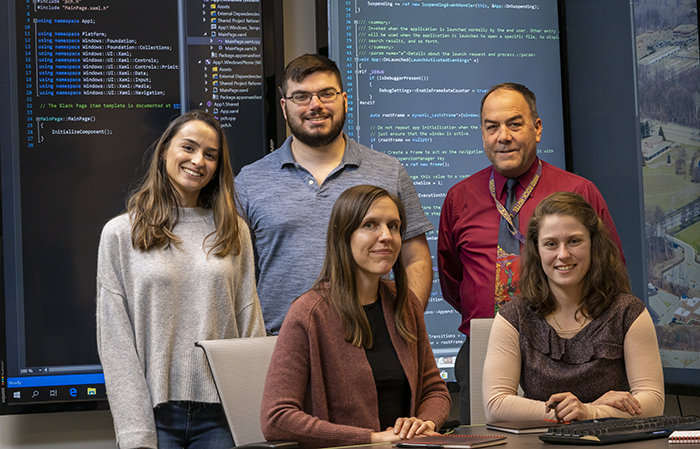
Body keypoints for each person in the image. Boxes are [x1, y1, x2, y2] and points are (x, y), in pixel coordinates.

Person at [437, 82, 624, 423]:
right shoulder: (458, 197)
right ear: (482, 134)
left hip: (569, 353)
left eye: (514, 123)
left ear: (537, 128)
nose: (502, 136)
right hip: (484, 343)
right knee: (484, 442)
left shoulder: (577, 191)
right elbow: (453, 279)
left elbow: (611, 274)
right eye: (492, 127)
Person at [96, 110, 265, 449]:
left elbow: (251, 328)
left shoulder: (234, 231)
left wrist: (254, 419)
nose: (198, 160)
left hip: (223, 418)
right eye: (188, 147)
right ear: (164, 151)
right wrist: (136, 433)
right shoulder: (120, 233)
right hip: (155, 419)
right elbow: (115, 343)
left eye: (210, 154)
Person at [236, 54, 433, 334]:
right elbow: (236, 274)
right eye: (301, 96)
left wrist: (404, 323)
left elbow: (416, 259)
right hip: (277, 344)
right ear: (284, 106)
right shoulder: (249, 181)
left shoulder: (389, 171)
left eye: (326, 94)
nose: (315, 105)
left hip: (369, 339)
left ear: (344, 99)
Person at [261, 185, 451, 449]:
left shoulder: (404, 303)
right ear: (343, 235)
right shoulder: (308, 314)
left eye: (393, 226)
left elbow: (434, 390)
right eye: (370, 225)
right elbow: (276, 418)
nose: (386, 236)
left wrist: (423, 423)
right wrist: (371, 439)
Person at [482, 191, 664, 422]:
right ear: (537, 252)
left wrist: (590, 412)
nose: (563, 254)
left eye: (574, 241)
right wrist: (577, 412)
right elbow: (495, 405)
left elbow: (653, 401)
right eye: (550, 244)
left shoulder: (627, 312)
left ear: (593, 245)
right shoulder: (514, 317)